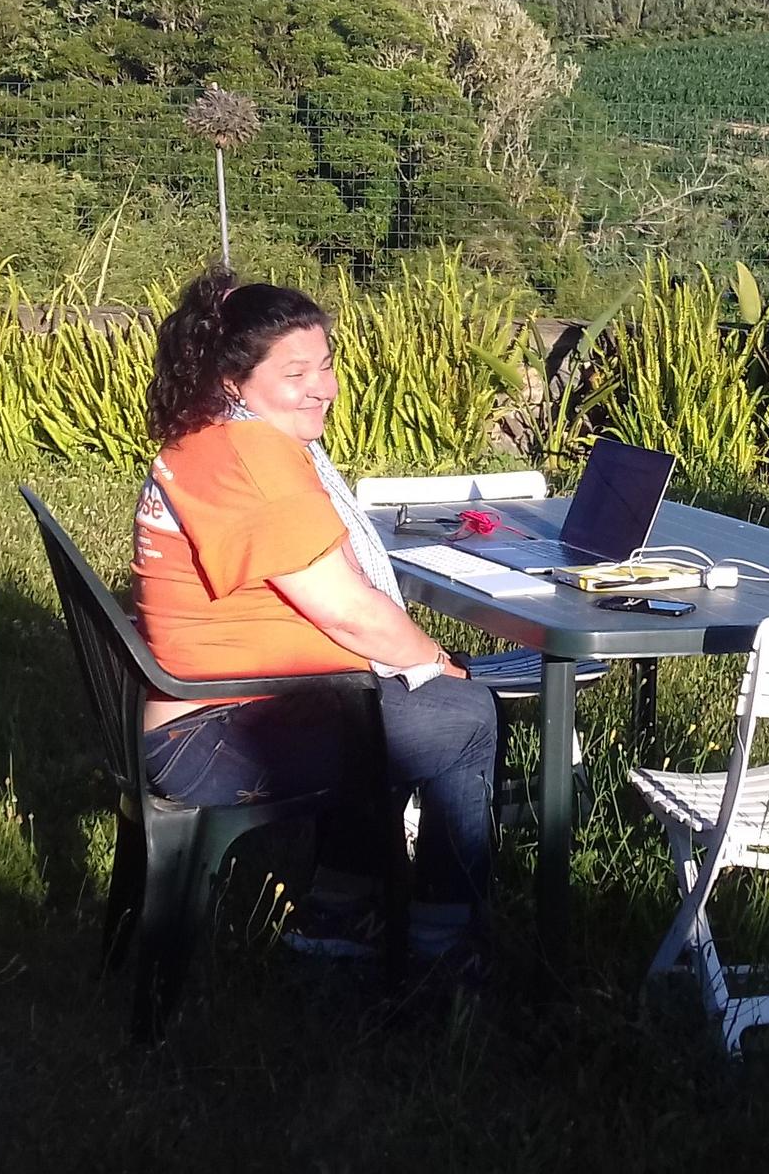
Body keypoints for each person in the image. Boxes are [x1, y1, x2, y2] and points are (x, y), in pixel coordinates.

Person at [130, 266, 497, 975]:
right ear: (234, 380)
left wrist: (406, 668)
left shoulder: (204, 435)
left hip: (207, 709)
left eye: (325, 364)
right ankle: (443, 944)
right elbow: (349, 613)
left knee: (385, 703)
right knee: (464, 715)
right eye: (296, 372)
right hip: (210, 733)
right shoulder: (252, 458)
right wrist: (432, 663)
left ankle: (336, 916)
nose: (323, 387)